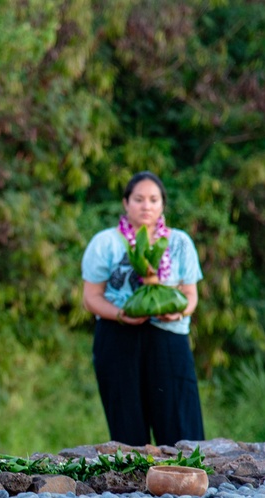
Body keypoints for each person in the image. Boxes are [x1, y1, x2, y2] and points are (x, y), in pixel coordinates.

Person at [81, 171, 205, 447]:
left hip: (169, 336)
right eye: (138, 199)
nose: (146, 206)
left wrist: (179, 312)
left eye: (153, 199)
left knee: (180, 425)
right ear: (126, 203)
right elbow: (91, 297)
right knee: (127, 426)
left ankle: (185, 483)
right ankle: (129, 487)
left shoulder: (179, 242)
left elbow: (190, 295)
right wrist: (122, 315)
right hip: (117, 336)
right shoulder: (106, 242)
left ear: (162, 204)